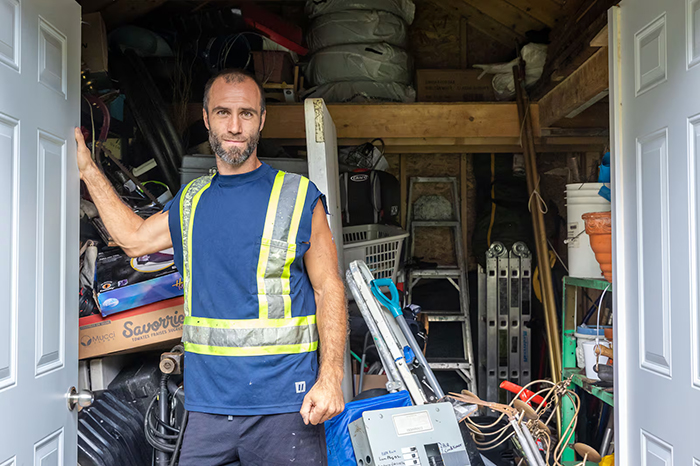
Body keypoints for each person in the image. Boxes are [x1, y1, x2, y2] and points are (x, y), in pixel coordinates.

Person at [75, 69, 347, 466]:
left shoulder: (298, 196)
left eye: (246, 114)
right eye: (223, 112)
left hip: (286, 406)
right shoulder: (191, 200)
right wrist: (86, 169)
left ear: (262, 119)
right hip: (207, 410)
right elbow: (133, 239)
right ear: (206, 118)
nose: (234, 126)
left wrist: (331, 379)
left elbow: (329, 289)